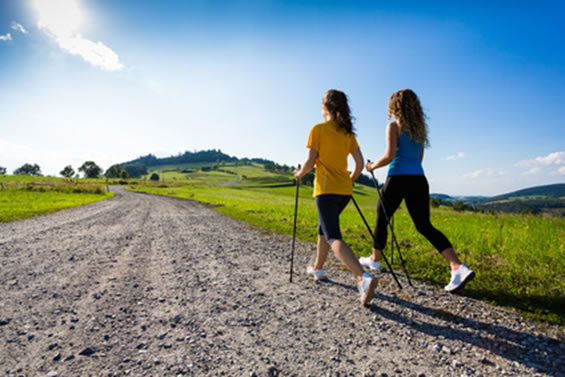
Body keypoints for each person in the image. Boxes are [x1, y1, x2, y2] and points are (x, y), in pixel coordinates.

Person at [361, 89, 475, 293]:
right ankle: (457, 267)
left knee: (382, 218)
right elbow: (419, 159)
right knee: (424, 225)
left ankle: (375, 261)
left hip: (397, 177)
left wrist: (371, 167)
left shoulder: (394, 127)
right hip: (419, 180)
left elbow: (389, 156)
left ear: (395, 107)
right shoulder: (419, 130)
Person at [294, 89, 378, 306]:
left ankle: (363, 277)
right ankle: (318, 268)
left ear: (325, 108)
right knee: (323, 229)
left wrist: (299, 174)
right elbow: (359, 164)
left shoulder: (318, 129)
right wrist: (349, 179)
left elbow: (310, 161)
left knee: (333, 236)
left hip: (325, 191)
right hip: (344, 191)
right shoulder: (348, 134)